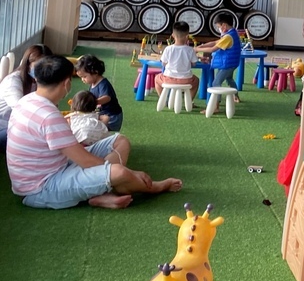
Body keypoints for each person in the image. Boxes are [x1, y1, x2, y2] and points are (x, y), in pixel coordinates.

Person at [6, 55, 182, 209]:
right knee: (119, 172)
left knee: (119, 141)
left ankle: (101, 190)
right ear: (67, 83)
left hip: (52, 168)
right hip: (40, 188)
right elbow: (85, 160)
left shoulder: (27, 100)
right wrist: (130, 172)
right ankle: (153, 187)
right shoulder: (49, 116)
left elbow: (76, 154)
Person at [0, 44, 52, 149]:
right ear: (28, 64)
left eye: (46, 67)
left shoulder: (40, 82)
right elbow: (21, 110)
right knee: (40, 137)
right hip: (4, 127)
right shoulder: (13, 81)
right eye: (38, 66)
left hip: (20, 126)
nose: (42, 70)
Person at [196, 12, 242, 102]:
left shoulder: (228, 37)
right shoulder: (232, 33)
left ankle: (216, 104)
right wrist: (201, 46)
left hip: (227, 64)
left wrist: (197, 50)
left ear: (224, 25)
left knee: (216, 83)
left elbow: (212, 49)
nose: (219, 29)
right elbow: (215, 42)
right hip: (232, 62)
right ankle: (236, 96)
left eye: (218, 26)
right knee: (229, 79)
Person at [75, 54, 124, 132]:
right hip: (103, 114)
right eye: (81, 77)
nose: (82, 80)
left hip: (112, 117)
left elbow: (107, 98)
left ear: (95, 72)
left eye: (84, 77)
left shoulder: (103, 84)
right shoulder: (92, 84)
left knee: (95, 129)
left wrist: (92, 103)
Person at [156, 22, 199, 100]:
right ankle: (189, 101)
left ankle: (163, 99)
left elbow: (163, 63)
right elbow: (194, 63)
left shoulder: (168, 49)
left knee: (156, 78)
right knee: (196, 80)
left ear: (173, 35)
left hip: (168, 79)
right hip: (186, 80)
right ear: (187, 37)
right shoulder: (190, 50)